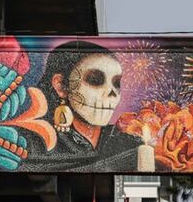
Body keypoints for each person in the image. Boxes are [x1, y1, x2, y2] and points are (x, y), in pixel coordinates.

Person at [23, 41, 142, 172]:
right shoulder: (36, 141)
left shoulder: (128, 140)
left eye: (117, 83)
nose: (112, 93)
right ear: (61, 86)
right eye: (95, 80)